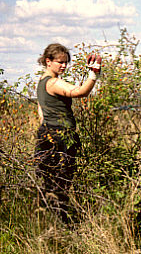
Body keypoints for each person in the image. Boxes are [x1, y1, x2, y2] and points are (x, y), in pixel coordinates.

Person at [34, 43, 102, 224]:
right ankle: (65, 225)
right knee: (62, 183)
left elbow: (41, 111)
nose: (64, 66)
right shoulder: (54, 82)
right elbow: (80, 92)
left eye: (66, 62)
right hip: (61, 136)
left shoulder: (41, 82)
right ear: (48, 61)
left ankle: (50, 222)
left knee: (49, 182)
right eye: (60, 62)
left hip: (46, 134)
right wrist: (94, 74)